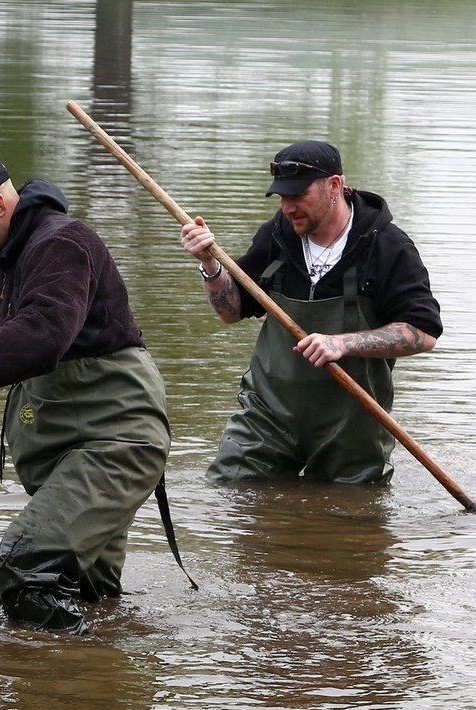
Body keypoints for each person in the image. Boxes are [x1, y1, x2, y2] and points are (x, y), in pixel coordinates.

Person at [0, 150, 171, 634]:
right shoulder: (10, 258)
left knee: (22, 574)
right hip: (76, 452)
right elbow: (14, 346)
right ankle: (96, 687)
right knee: (89, 595)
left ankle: (59, 693)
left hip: (112, 446)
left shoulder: (61, 243)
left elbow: (41, 338)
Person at [179, 140, 442, 483]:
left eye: (298, 195)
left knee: (350, 518)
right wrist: (210, 266)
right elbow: (232, 311)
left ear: (334, 186)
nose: (288, 207)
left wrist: (344, 343)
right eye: (282, 197)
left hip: (351, 425)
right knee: (231, 494)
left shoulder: (388, 247)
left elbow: (424, 334)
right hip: (268, 415)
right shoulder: (276, 237)